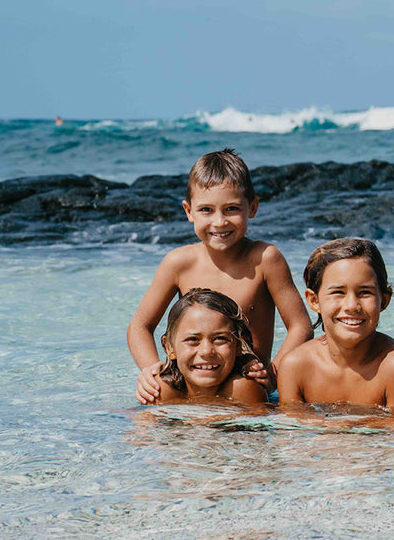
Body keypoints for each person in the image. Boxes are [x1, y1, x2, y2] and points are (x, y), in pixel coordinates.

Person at [128, 149, 313, 403]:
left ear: (253, 207)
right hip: (192, 377)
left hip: (245, 380)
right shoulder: (179, 263)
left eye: (231, 209)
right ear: (188, 210)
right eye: (206, 209)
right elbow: (140, 326)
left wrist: (272, 374)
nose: (219, 222)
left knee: (244, 392)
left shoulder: (265, 259)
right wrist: (149, 370)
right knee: (158, 392)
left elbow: (301, 326)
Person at [275, 239, 394, 412]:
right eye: (338, 292)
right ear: (314, 301)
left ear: (384, 300)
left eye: (365, 292)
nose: (352, 305)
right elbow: (291, 433)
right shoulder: (295, 366)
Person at [149, 288, 268, 407]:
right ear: (169, 347)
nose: (206, 351)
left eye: (220, 339)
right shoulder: (160, 390)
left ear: (238, 346)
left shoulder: (242, 388)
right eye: (193, 339)